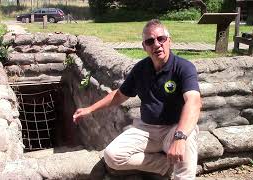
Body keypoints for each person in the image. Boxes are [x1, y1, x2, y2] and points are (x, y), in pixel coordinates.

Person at [73, 19, 202, 180]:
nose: (156, 44)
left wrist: (180, 137)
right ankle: (165, 165)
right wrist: (89, 109)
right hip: (147, 130)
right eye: (150, 41)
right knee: (112, 156)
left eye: (161, 39)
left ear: (169, 41)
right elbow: (119, 95)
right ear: (144, 47)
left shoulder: (183, 67)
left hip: (174, 129)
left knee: (188, 137)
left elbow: (194, 101)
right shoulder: (141, 69)